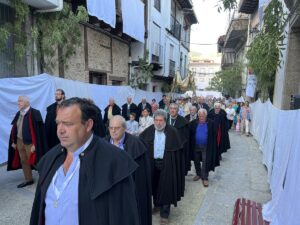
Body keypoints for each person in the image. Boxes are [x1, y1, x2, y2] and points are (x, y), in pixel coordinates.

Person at [30, 98, 139, 225]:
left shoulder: (114, 162)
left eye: (68, 124)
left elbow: (124, 217)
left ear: (88, 125)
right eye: (58, 123)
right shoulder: (50, 158)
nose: (60, 130)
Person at [140, 109, 184, 225]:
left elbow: (178, 151)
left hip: (167, 163)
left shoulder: (173, 132)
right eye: (156, 120)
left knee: (166, 187)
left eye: (161, 120)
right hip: (152, 163)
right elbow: (140, 142)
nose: (158, 123)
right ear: (153, 120)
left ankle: (165, 214)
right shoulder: (149, 131)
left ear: (165, 121)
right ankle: (157, 205)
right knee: (153, 185)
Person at [107, 115, 152, 225]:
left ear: (124, 128)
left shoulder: (136, 144)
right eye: (111, 128)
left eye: (116, 128)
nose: (113, 131)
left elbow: (142, 176)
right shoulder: (103, 143)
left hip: (130, 191)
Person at [7, 96, 47, 188]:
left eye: (20, 101)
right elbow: (14, 128)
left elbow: (39, 131)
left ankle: (45, 178)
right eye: (18, 101)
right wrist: (14, 141)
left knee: (36, 161)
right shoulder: (19, 113)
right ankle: (28, 179)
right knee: (24, 161)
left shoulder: (35, 113)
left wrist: (35, 144)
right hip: (20, 141)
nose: (18, 103)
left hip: (30, 143)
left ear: (27, 102)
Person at [189, 109, 218, 187]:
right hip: (196, 146)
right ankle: (198, 174)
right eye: (200, 116)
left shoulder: (211, 123)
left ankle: (205, 178)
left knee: (206, 161)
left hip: (206, 146)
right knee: (196, 160)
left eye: (203, 116)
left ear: (206, 115)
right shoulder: (193, 123)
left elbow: (214, 134)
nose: (201, 117)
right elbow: (189, 132)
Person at [168, 103, 191, 179]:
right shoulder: (165, 119)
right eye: (171, 108)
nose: (172, 110)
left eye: (174, 109)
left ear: (178, 110)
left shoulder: (183, 121)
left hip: (178, 149)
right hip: (166, 148)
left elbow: (185, 137)